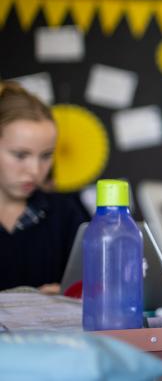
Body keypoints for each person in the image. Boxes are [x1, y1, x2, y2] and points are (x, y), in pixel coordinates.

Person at [0, 81, 89, 292]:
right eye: (21, 155)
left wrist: (70, 296)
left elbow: (99, 286)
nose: (35, 170)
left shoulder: (68, 212)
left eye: (46, 156)